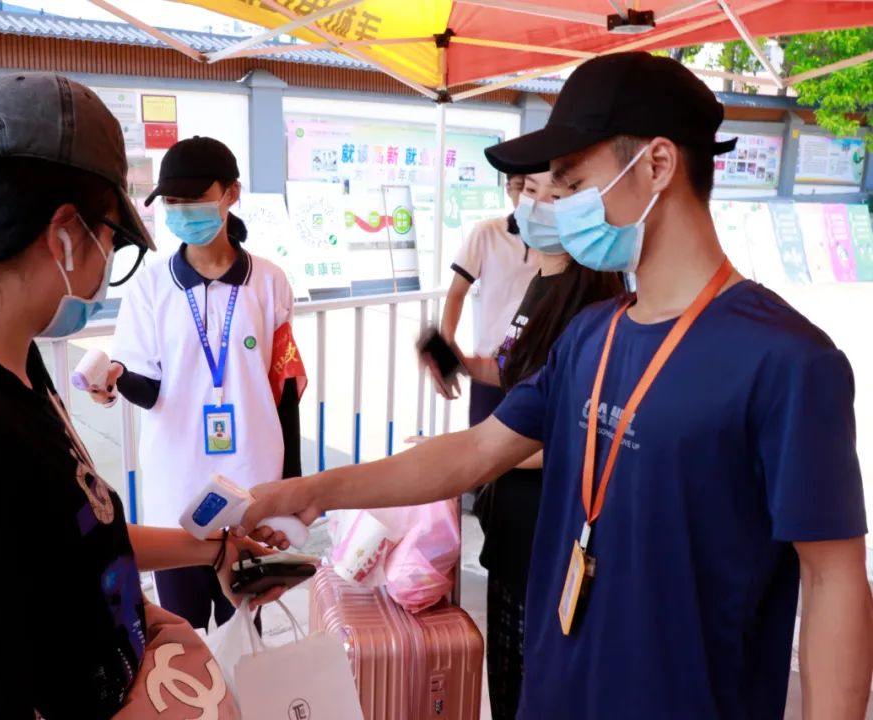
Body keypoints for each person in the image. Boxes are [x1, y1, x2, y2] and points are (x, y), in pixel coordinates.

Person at [241, 53, 873, 718]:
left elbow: (832, 577)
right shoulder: (590, 335)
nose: (556, 207)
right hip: (557, 688)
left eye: (572, 184)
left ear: (657, 164)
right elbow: (476, 452)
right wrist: (311, 491)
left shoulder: (786, 360)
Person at [0, 74, 281, 720]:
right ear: (67, 234)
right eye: (114, 239)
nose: (109, 263)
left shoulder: (11, 366)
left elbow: (71, 531)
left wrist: (209, 549)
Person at [88, 136, 306, 632]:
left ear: (231, 194)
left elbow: (285, 389)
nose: (183, 210)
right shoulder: (150, 285)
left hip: (253, 483)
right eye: (172, 200)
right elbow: (148, 387)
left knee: (244, 629)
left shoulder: (269, 282)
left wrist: (291, 494)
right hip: (177, 489)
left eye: (194, 198)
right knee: (179, 631)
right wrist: (118, 378)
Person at [445, 171, 624, 717]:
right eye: (530, 191)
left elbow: (580, 438)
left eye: (557, 194)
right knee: (505, 679)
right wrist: (458, 360)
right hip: (512, 525)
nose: (538, 205)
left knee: (532, 684)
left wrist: (478, 455)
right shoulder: (540, 286)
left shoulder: (591, 308)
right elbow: (512, 372)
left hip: (547, 533)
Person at [441, 172, 538, 424]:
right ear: (508, 189)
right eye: (521, 187)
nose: (527, 197)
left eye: (534, 188)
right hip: (490, 367)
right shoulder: (487, 233)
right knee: (481, 440)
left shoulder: (558, 242)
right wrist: (445, 348)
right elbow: (456, 293)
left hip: (538, 371)